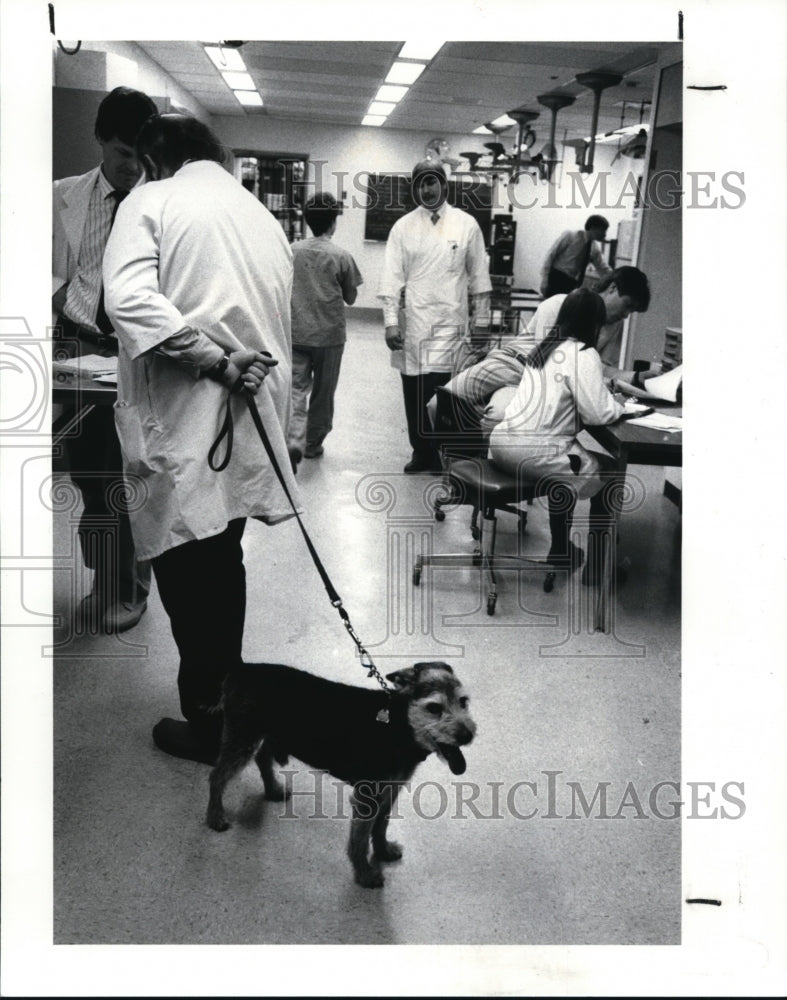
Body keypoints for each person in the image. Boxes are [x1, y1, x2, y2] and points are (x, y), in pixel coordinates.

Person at [103, 114, 301, 765]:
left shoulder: (152, 198)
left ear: (158, 159)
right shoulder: (259, 215)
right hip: (249, 423)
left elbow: (127, 300)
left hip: (190, 419)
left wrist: (211, 358)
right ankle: (232, 706)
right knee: (222, 567)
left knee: (188, 577)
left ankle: (209, 722)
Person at [52, 86, 158, 633]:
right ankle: (104, 578)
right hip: (76, 352)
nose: (132, 168)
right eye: (121, 154)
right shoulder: (63, 196)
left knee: (129, 479)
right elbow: (50, 274)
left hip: (132, 359)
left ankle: (133, 589)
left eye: (141, 156)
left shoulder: (159, 204)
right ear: (99, 141)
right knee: (90, 479)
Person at [488, 288, 625, 580]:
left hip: (501, 445)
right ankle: (599, 571)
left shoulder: (544, 348)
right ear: (594, 324)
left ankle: (561, 550)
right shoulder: (583, 353)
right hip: (532, 452)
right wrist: (621, 407)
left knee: (570, 462)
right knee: (610, 472)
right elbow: (599, 413)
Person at [378, 160, 491, 474]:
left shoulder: (467, 224)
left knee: (446, 391)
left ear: (444, 184)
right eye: (420, 184)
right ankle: (421, 453)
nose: (426, 189)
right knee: (414, 391)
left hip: (451, 321)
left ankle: (444, 453)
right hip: (414, 323)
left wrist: (481, 321)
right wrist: (390, 322)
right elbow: (391, 279)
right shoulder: (403, 227)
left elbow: (479, 278)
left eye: (431, 182)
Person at [443, 266, 652, 423]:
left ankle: (477, 466)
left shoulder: (613, 325)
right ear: (612, 288)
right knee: (441, 402)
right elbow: (548, 359)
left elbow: (601, 368)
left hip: (530, 383)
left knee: (498, 416)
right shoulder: (561, 304)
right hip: (513, 364)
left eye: (632, 312)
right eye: (627, 306)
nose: (626, 315)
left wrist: (635, 377)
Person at [287, 192, 362, 472]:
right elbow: (351, 298)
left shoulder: (291, 250)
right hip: (329, 336)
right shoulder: (341, 256)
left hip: (297, 331)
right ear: (333, 222)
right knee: (323, 391)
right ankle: (312, 443)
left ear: (307, 221)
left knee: (295, 387)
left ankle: (293, 436)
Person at [540, 214, 613, 299]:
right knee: (549, 307)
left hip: (571, 283)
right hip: (555, 279)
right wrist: (544, 280)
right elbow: (550, 256)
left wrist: (617, 277)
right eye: (603, 230)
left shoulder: (594, 248)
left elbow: (603, 268)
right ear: (593, 227)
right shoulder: (570, 236)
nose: (604, 234)